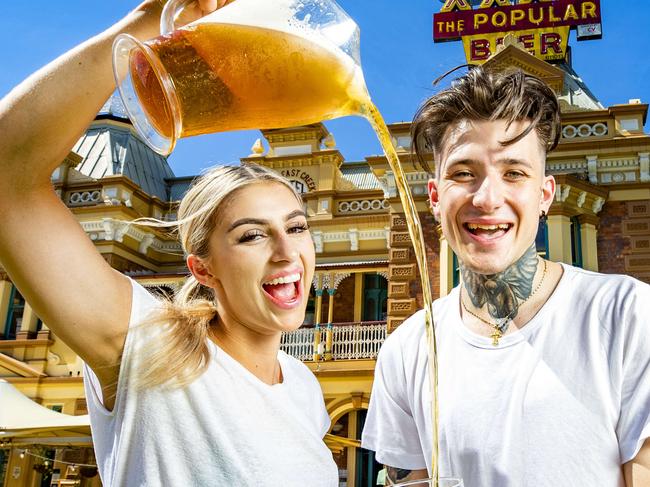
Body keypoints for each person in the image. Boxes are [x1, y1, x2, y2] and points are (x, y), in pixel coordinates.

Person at [0, 1, 338, 485]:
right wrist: (153, 18)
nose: (286, 251)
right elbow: (7, 172)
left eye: (297, 227)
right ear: (202, 268)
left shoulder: (304, 388)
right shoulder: (148, 348)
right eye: (251, 235)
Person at [361, 67, 650, 486]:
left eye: (513, 173)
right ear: (436, 197)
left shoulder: (627, 316)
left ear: (544, 194)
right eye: (463, 173)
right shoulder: (407, 350)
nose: (487, 198)